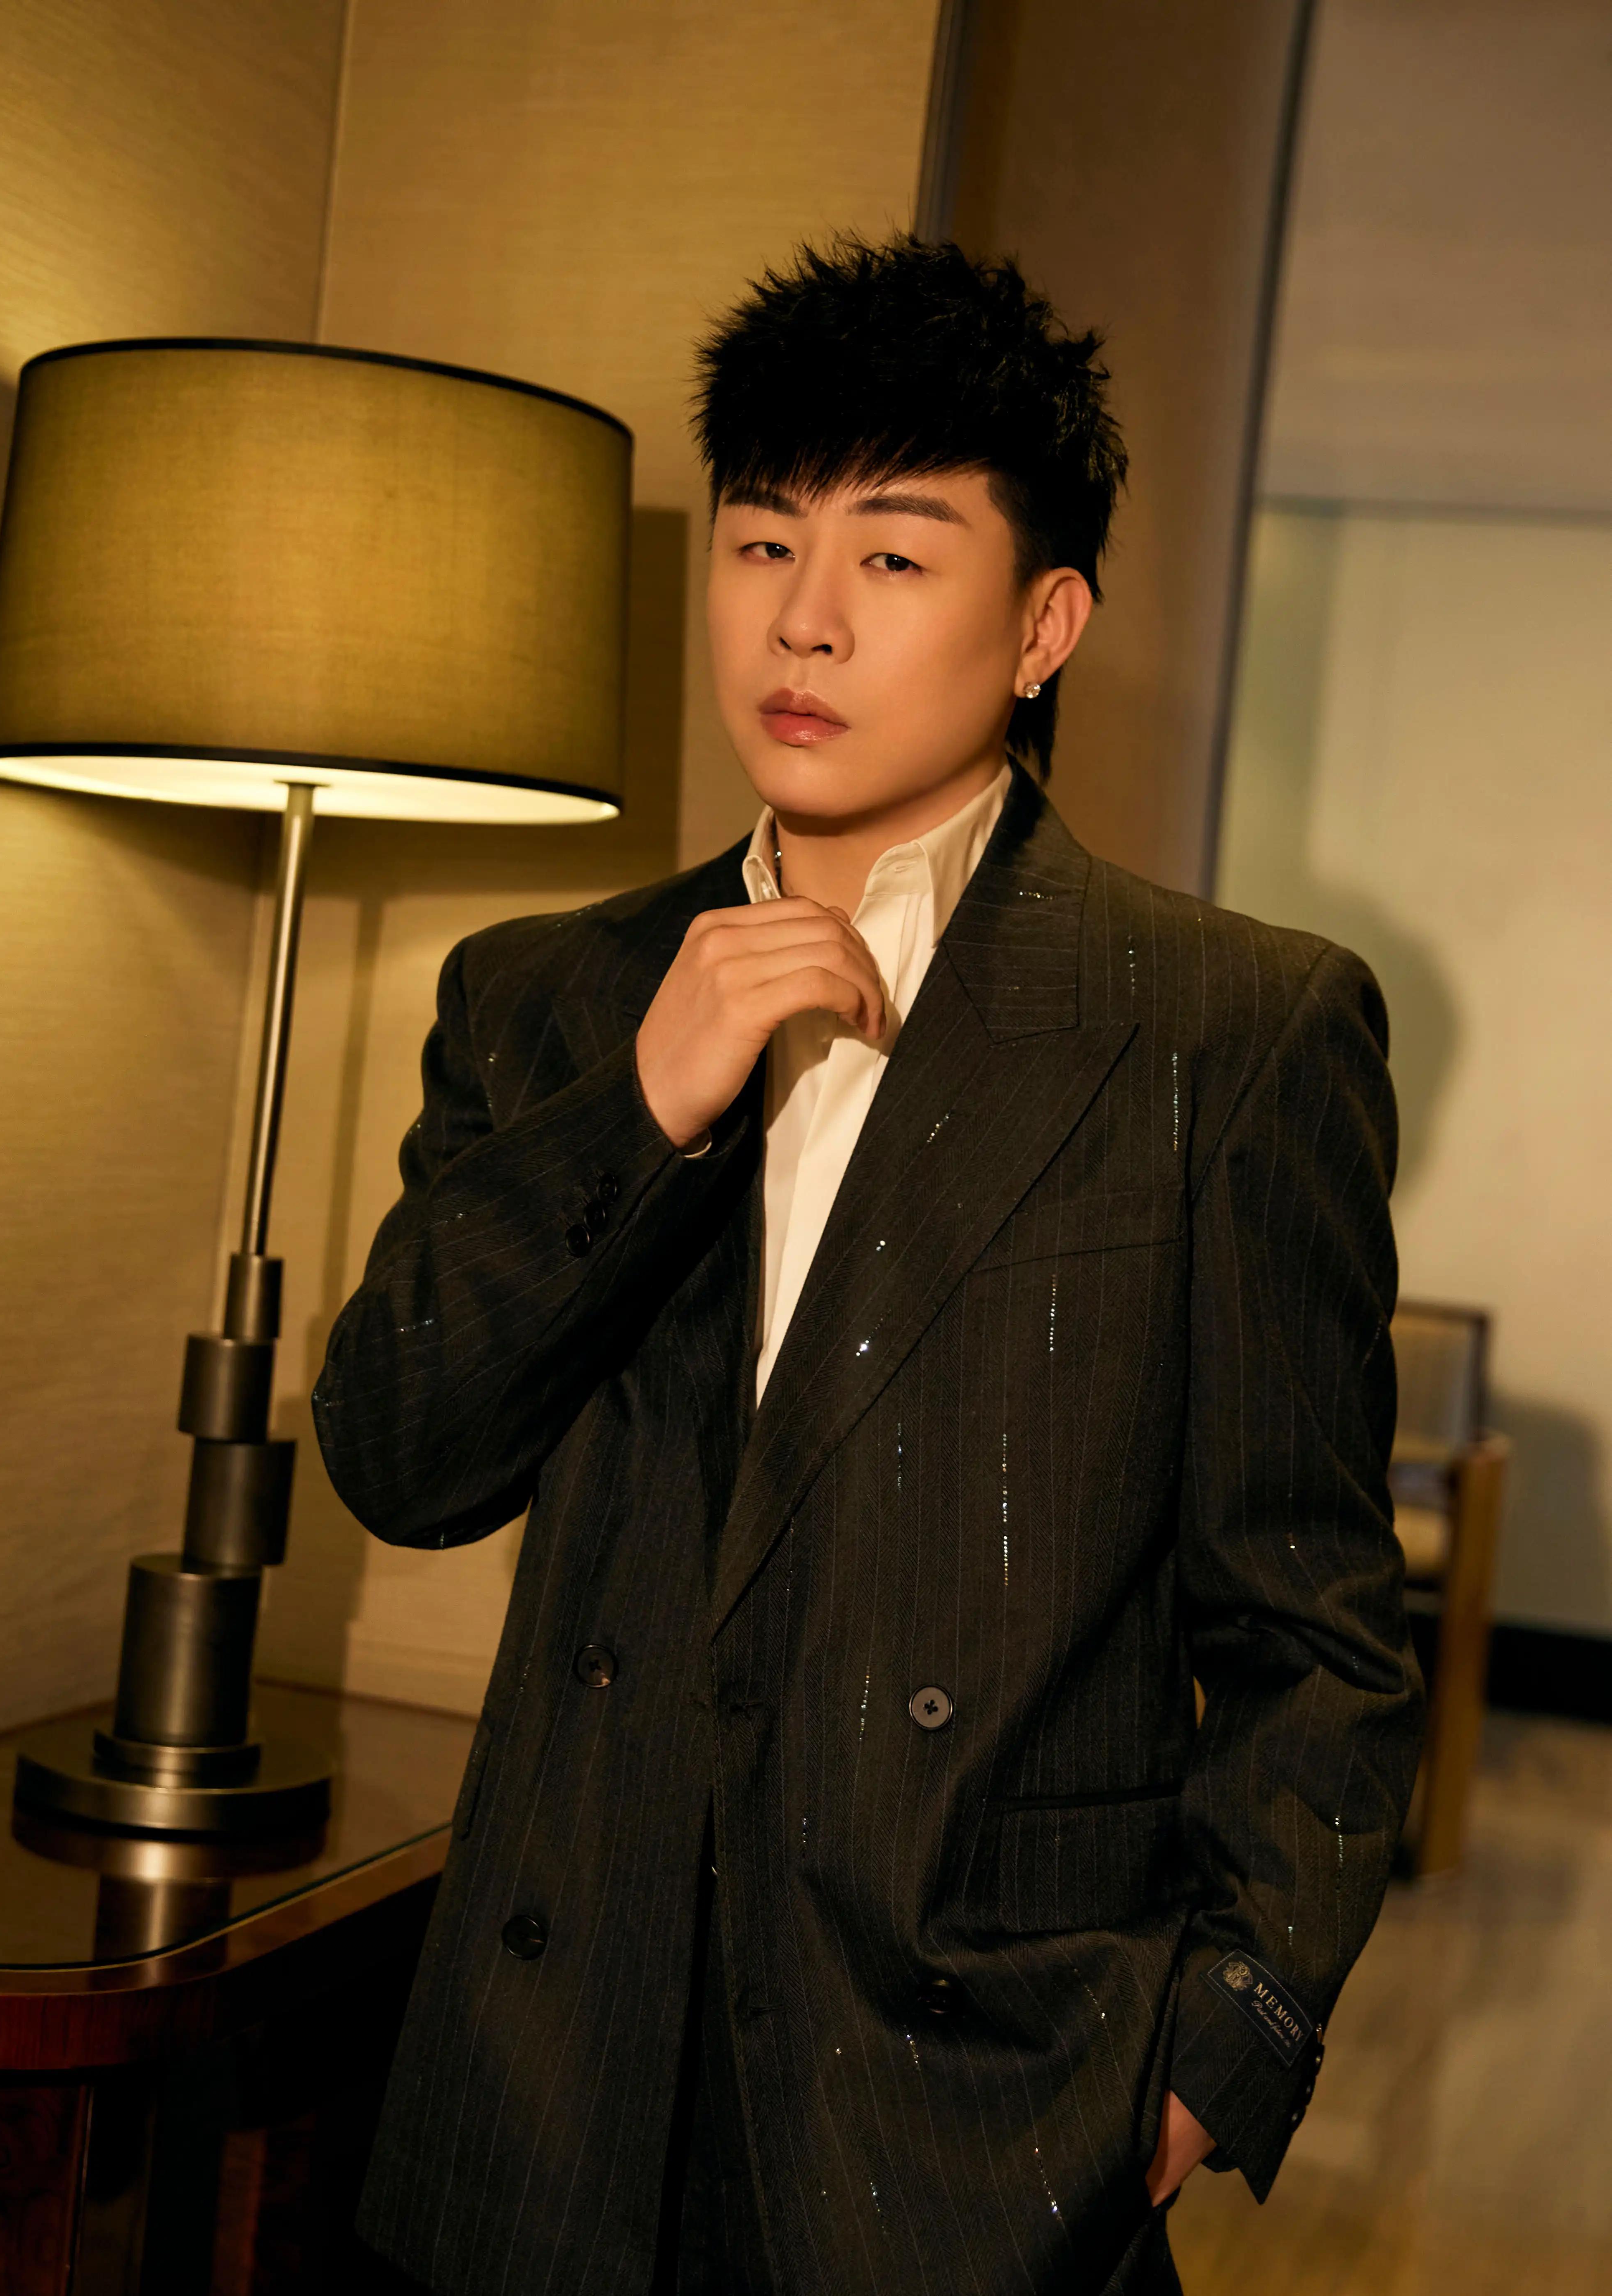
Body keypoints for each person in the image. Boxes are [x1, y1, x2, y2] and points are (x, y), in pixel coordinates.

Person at [314, 236, 1422, 2296]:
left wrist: (1217, 2051)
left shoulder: (1231, 1029)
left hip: (978, 2125)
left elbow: (1321, 1636)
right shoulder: (545, 997)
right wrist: (644, 1105)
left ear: (1044, 625)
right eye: (761, 542)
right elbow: (402, 1456)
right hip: (544, 2105)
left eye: (895, 557)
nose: (801, 618)